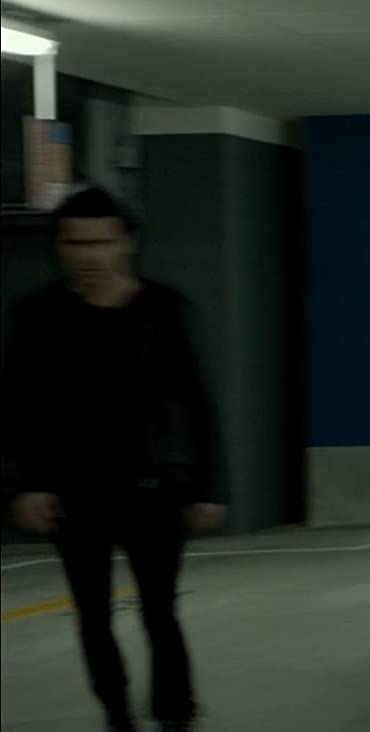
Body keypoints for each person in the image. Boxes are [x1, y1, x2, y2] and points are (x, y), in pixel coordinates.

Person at [2, 186, 226, 732]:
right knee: (93, 616)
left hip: (154, 490)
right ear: (59, 247)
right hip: (75, 494)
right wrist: (26, 484)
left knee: (160, 611)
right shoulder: (37, 316)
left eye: (101, 242)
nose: (90, 255)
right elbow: (18, 406)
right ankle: (117, 715)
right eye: (76, 243)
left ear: (127, 243)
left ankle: (175, 714)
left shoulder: (163, 309)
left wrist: (207, 487)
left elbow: (197, 403)